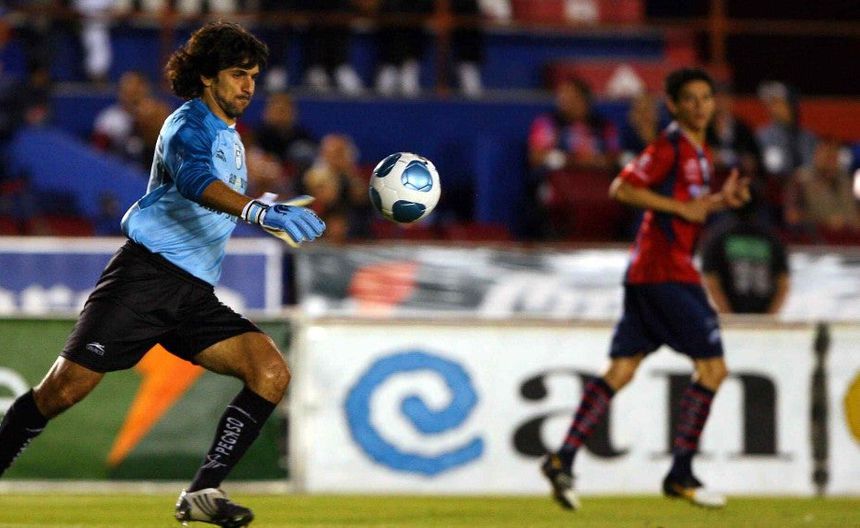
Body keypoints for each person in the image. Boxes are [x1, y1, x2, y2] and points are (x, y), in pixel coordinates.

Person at [0, 21, 325, 527]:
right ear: (208, 76)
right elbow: (195, 181)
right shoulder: (188, 123)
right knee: (61, 392)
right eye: (238, 74)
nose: (248, 87)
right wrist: (259, 210)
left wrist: (268, 205)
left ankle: (203, 492)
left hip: (192, 294)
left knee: (270, 372)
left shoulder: (230, 137)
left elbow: (213, 192)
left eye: (253, 76)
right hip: (144, 279)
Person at [539, 68, 751, 511]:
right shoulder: (669, 146)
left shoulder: (700, 152)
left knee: (621, 370)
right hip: (665, 271)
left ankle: (562, 458)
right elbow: (623, 188)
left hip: (649, 273)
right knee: (712, 370)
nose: (700, 106)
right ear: (672, 105)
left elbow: (687, 210)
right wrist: (681, 207)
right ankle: (680, 474)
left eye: (706, 98)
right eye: (690, 99)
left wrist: (718, 202)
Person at [701, 195, 790, 314]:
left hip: (733, 314)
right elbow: (783, 282)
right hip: (763, 315)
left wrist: (728, 314)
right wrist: (769, 316)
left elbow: (711, 280)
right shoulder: (772, 239)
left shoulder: (718, 238)